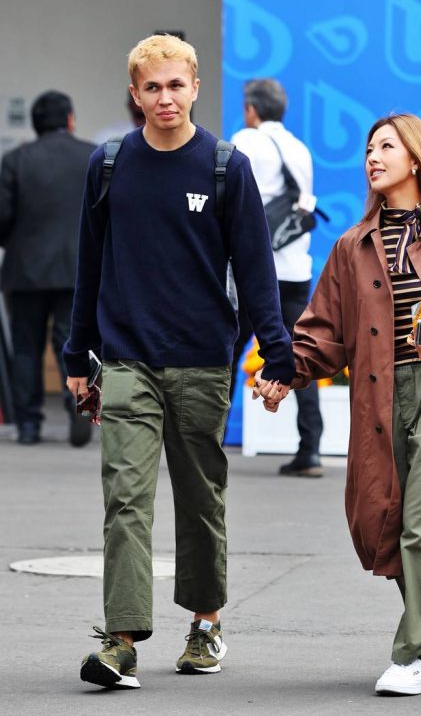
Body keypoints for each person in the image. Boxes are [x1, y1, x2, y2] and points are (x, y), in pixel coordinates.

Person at [254, 114, 421, 696]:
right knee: (386, 521)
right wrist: (286, 374)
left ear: (417, 160)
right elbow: (322, 331)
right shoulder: (352, 246)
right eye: (369, 148)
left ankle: (411, 657)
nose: (372, 157)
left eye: (386, 147)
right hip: (379, 394)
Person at [63, 34, 293, 689]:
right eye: (151, 87)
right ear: (135, 95)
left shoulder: (224, 167)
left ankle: (205, 624)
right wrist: (76, 350)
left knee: (199, 501)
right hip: (128, 358)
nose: (164, 97)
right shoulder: (109, 166)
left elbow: (255, 270)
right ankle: (121, 639)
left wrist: (275, 352)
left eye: (175, 84)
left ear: (195, 87)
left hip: (201, 359)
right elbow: (90, 263)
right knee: (125, 498)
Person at [231, 79, 324, 477]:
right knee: (297, 355)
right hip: (295, 269)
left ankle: (205, 437)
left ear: (251, 109)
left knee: (226, 350)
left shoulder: (243, 142)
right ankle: (311, 449)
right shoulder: (300, 150)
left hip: (254, 270)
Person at [0, 91, 95, 445]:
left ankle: (28, 426)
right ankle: (79, 405)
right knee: (73, 342)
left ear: (34, 124)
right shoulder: (91, 157)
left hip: (26, 271)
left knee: (27, 347)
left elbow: (2, 217)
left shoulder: (16, 160)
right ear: (70, 120)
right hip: (78, 269)